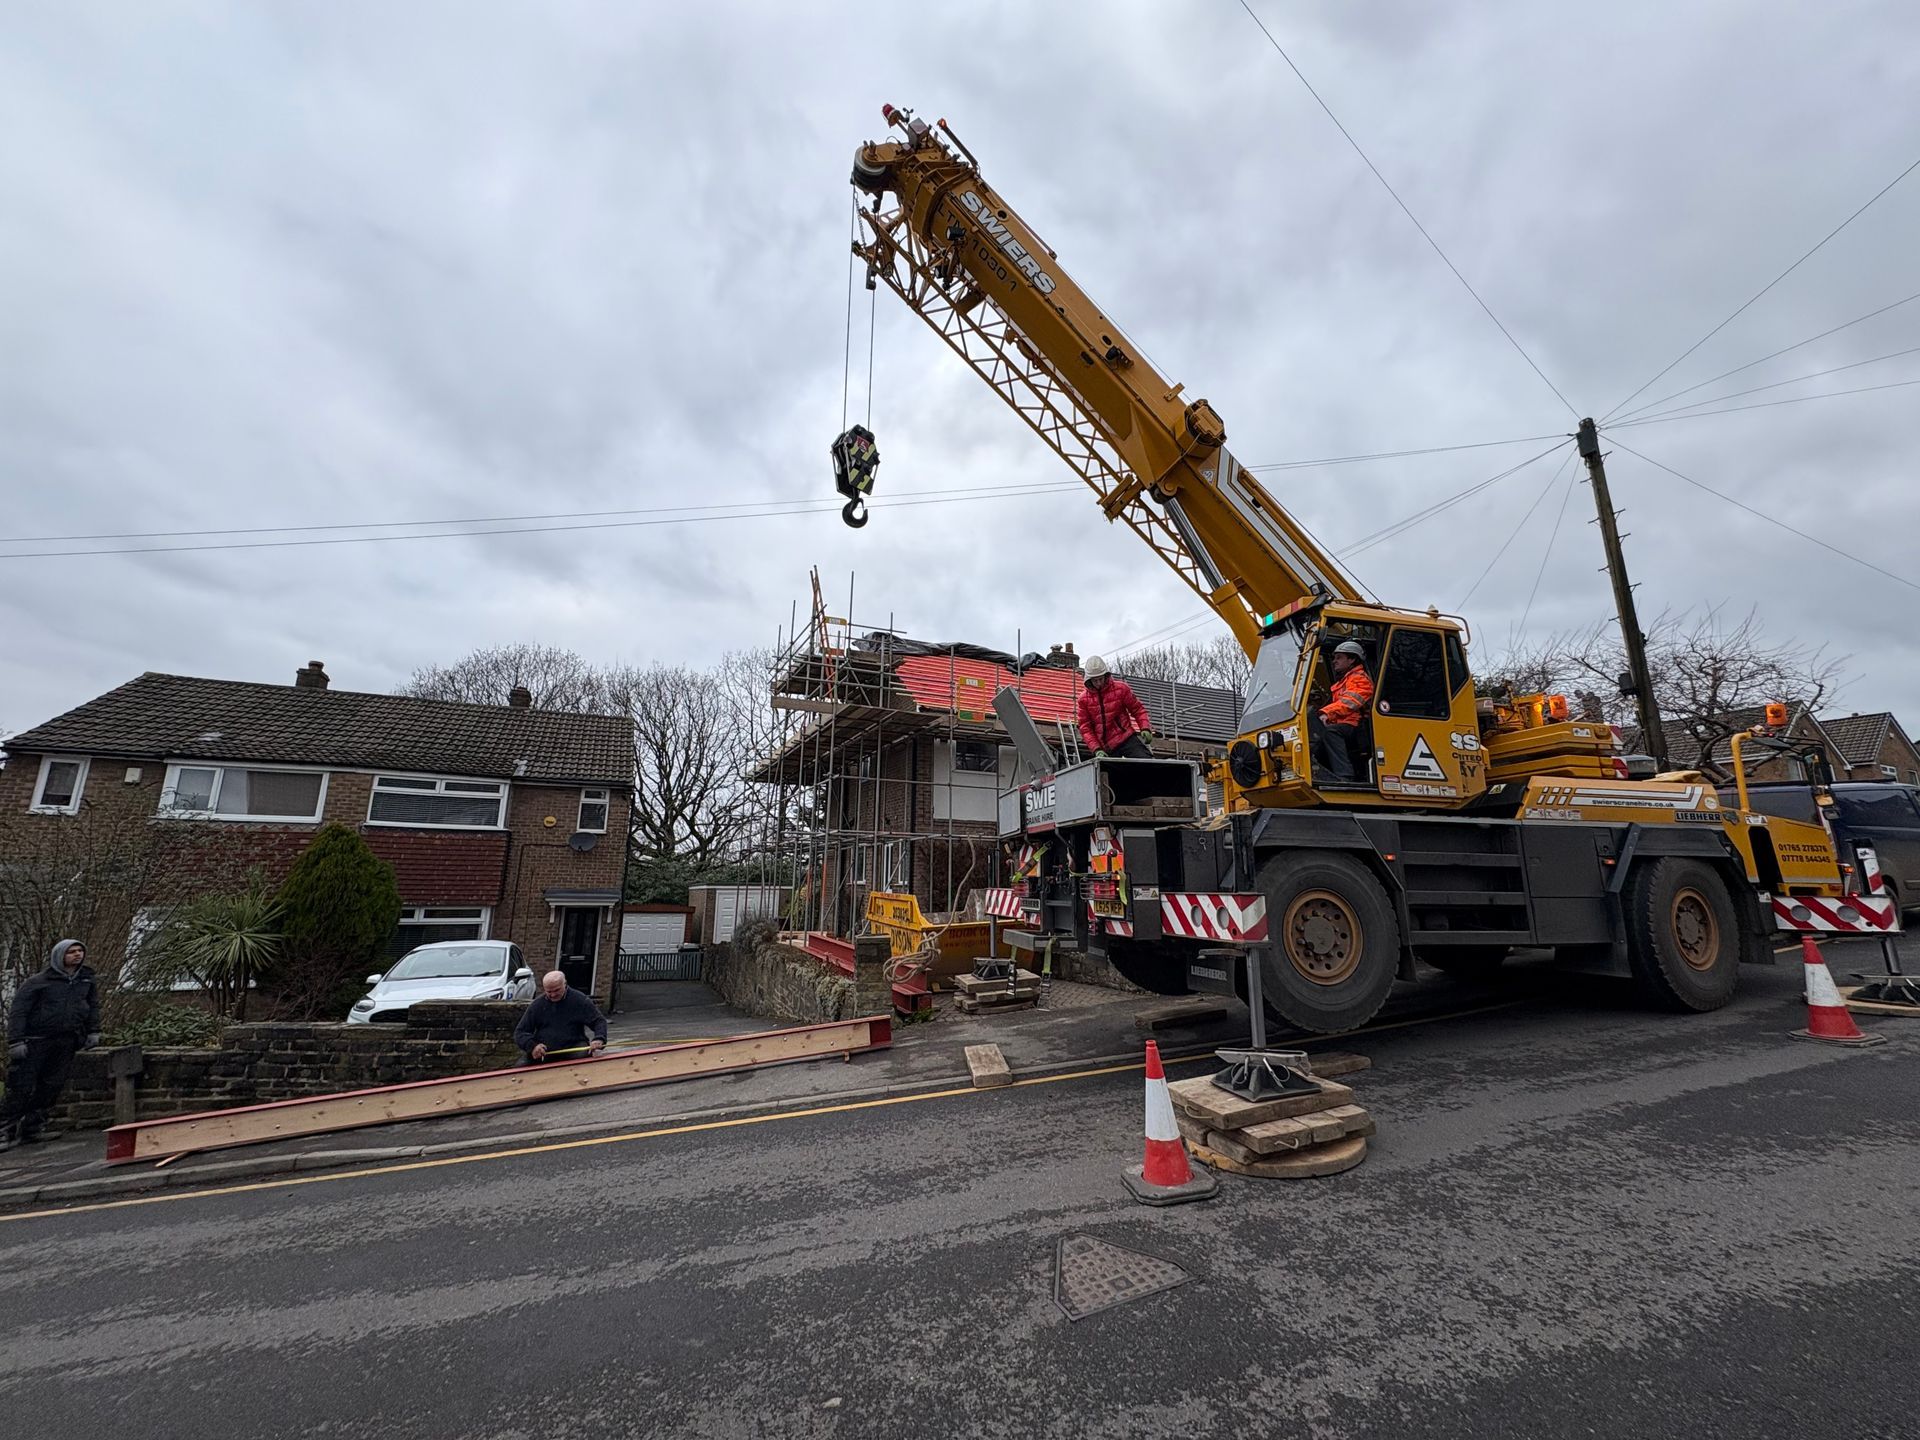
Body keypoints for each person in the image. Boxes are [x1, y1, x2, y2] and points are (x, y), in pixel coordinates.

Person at [1, 939, 101, 1151]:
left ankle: (33, 1128)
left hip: (66, 1040)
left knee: (51, 1086)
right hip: (36, 1041)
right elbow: (19, 1012)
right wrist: (16, 1040)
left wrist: (93, 1031)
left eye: (79, 951)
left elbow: (92, 1007)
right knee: (21, 1086)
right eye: (71, 952)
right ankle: (5, 1130)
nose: (77, 955)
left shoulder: (85, 981)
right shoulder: (38, 982)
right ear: (60, 955)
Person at [1310, 640, 1375, 784]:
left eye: (1339, 657)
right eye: (1334, 658)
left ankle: (1345, 775)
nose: (1334, 661)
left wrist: (1327, 713)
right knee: (1316, 741)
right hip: (1345, 725)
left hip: (1357, 727)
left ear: (1352, 659)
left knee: (1330, 732)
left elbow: (1349, 703)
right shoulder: (1343, 682)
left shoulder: (1360, 679)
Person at [513, 970, 608, 1064]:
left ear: (565, 984)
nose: (553, 995)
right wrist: (532, 1046)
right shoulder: (537, 1005)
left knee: (583, 1057)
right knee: (521, 1066)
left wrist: (599, 1038)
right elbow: (520, 1032)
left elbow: (598, 1021)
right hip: (545, 1052)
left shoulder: (579, 1000)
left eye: (557, 990)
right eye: (549, 991)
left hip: (574, 1048)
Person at [1076, 655, 1155, 759]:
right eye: (1095, 680)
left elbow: (1138, 709)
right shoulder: (1083, 700)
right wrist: (1096, 749)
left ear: (1106, 675)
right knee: (1107, 774)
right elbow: (1085, 728)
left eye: (1101, 679)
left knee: (1147, 763)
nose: (1099, 683)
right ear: (1089, 680)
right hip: (1106, 748)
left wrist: (1145, 727)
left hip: (1126, 738)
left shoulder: (1121, 689)